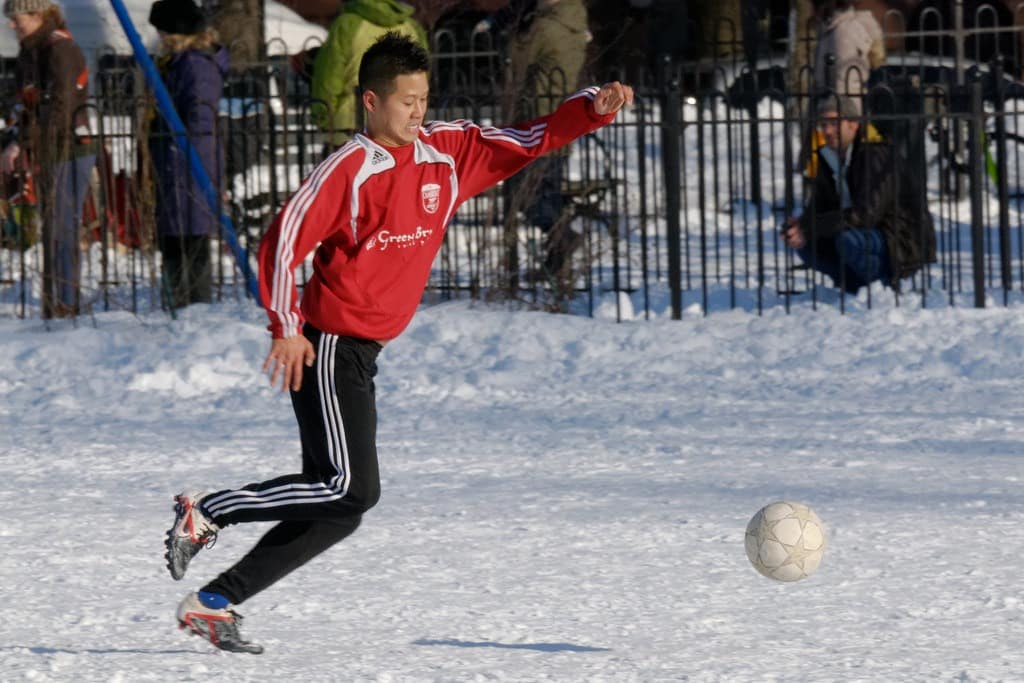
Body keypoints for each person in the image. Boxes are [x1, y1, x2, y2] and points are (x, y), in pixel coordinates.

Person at [164, 31, 633, 654]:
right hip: (329, 344)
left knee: (341, 505)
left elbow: (527, 138)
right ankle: (210, 510)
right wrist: (286, 326)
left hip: (364, 351)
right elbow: (282, 242)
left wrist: (590, 110)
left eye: (423, 98)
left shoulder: (446, 151)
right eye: (406, 100)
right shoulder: (348, 170)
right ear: (370, 102)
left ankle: (214, 602)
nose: (418, 110)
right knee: (350, 489)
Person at [781, 96, 936, 295]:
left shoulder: (875, 153)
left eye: (835, 123)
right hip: (858, 231)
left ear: (854, 124)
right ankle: (851, 284)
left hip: (897, 239)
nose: (828, 131)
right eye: (824, 124)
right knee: (805, 243)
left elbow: (866, 215)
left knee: (848, 240)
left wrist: (812, 225)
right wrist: (799, 225)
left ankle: (882, 287)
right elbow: (818, 206)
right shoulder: (826, 157)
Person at [1, 0, 96, 318]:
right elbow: (22, 103)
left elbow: (60, 106)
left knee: (62, 227)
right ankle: (54, 298)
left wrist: (28, 146)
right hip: (46, 148)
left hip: (69, 148)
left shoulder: (59, 49)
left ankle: (65, 301)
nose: (12, 25)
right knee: (52, 226)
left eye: (17, 19)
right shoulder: (30, 51)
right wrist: (15, 141)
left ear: (38, 15)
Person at [482, 0, 590, 278]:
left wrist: (512, 28)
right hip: (559, 119)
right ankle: (557, 263)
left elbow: (515, 60)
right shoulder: (575, 23)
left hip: (538, 122)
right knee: (547, 194)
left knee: (524, 197)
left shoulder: (545, 27)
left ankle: (563, 237)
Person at [148, 0, 229, 309]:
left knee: (190, 241)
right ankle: (178, 304)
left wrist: (178, 151)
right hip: (176, 161)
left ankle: (194, 307)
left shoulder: (195, 66)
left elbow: (200, 120)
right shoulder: (179, 62)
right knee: (174, 239)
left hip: (188, 164)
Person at [311, 0, 428, 148]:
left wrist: (322, 115)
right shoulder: (411, 26)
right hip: (400, 126)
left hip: (349, 126)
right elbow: (421, 78)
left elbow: (328, 77)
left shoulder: (347, 24)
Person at [811, 0, 884, 111]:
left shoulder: (842, 33)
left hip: (842, 113)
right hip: (835, 109)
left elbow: (844, 83)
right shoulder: (831, 29)